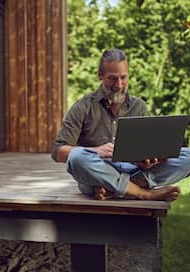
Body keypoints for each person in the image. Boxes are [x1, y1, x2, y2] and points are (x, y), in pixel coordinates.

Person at [51, 48, 190, 201]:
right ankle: (143, 193)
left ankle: (119, 188)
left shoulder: (139, 106)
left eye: (123, 77)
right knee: (77, 157)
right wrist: (96, 151)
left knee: (187, 155)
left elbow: (145, 152)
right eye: (112, 78)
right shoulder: (82, 107)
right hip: (97, 173)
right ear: (100, 76)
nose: (119, 84)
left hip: (135, 172)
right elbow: (58, 152)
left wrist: (148, 161)